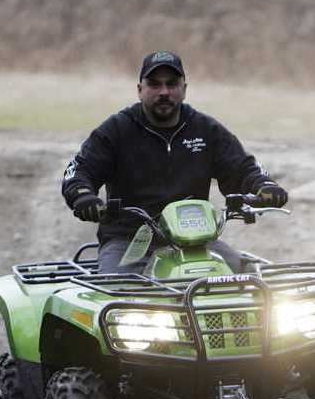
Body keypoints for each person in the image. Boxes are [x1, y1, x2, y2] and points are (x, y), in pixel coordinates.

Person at [61, 50, 288, 274]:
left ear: (184, 89)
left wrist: (263, 185)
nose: (164, 92)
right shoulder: (117, 130)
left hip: (197, 243)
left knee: (245, 281)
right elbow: (79, 171)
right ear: (140, 90)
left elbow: (242, 168)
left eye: (171, 84)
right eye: (154, 84)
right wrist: (83, 196)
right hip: (129, 241)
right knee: (116, 289)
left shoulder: (206, 130)